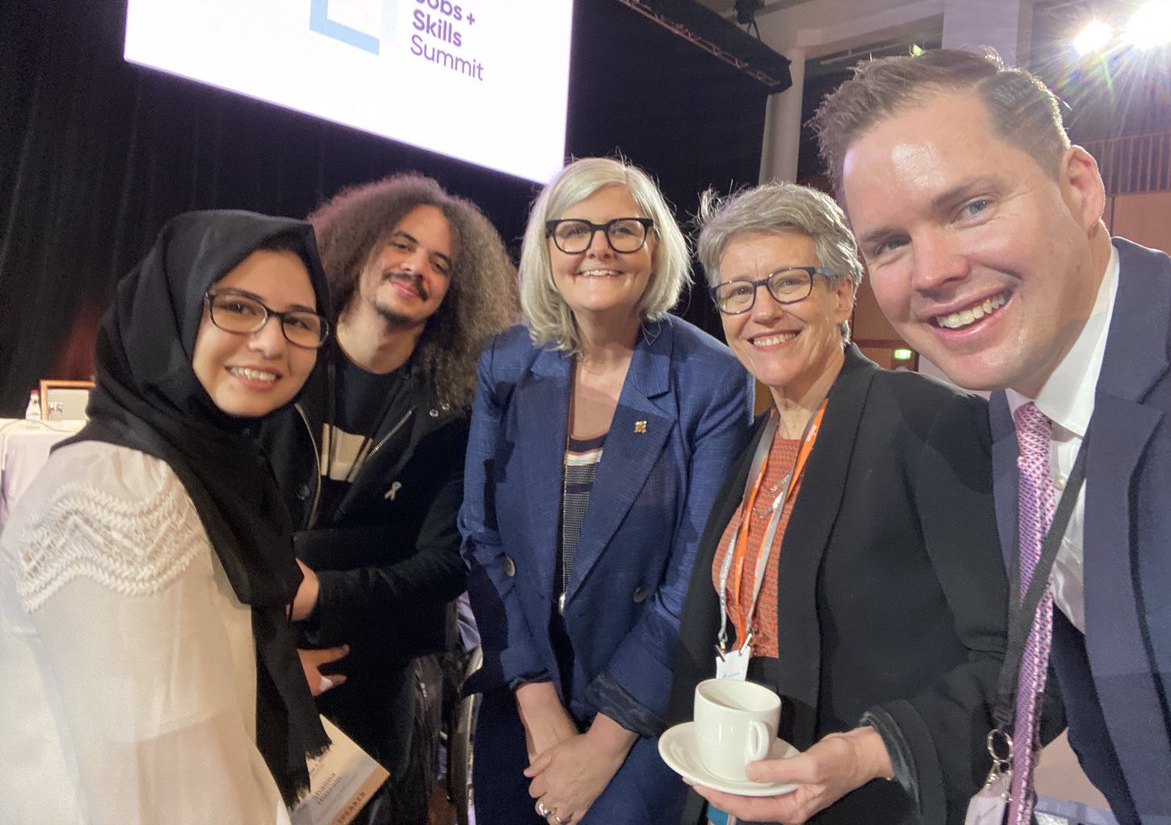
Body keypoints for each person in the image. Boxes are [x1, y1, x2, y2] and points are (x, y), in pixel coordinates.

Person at [814, 47, 1171, 824]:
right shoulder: (1005, 420)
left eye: (970, 207)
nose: (933, 271)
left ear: (1079, 187)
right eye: (889, 243)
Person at [668, 182, 1008, 825]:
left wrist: (870, 753)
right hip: (734, 785)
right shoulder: (752, 443)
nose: (761, 311)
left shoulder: (928, 423)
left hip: (864, 803)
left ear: (843, 291)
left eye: (789, 282)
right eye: (738, 292)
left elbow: (1023, 659)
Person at [0, 210, 332, 822]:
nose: (270, 341)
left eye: (298, 321)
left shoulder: (207, 465)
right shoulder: (120, 496)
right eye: (237, 307)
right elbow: (173, 793)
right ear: (172, 309)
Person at [458, 156, 754, 825]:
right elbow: (479, 536)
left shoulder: (712, 379)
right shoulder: (505, 362)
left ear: (655, 248)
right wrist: (538, 704)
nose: (598, 247)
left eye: (624, 229)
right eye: (575, 230)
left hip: (646, 698)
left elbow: (698, 573)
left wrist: (603, 742)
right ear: (547, 248)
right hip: (526, 680)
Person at [265, 172, 519, 822]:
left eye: (440, 264)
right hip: (241, 667)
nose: (416, 268)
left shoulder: (455, 415)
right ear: (360, 246)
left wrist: (319, 589)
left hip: (367, 689)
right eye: (402, 244)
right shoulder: (272, 362)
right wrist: (265, 650)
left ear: (452, 294)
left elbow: (444, 567)